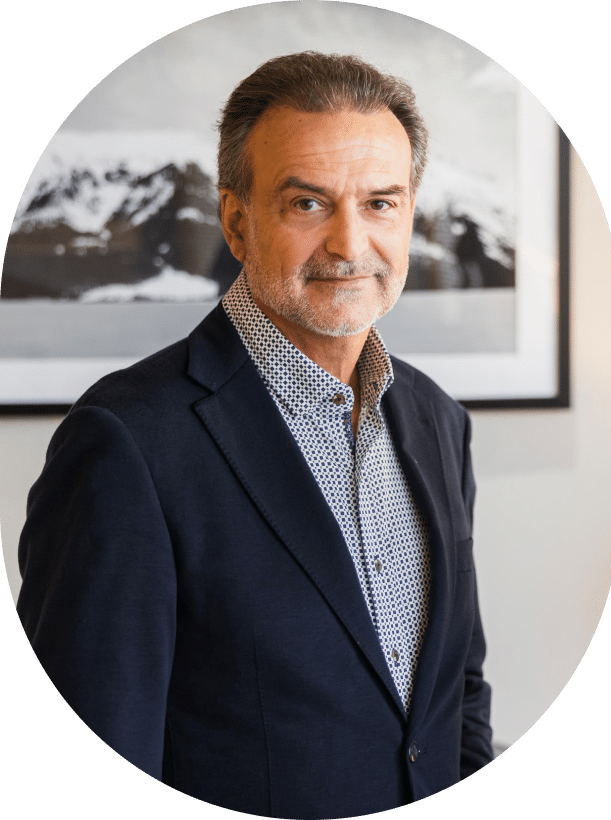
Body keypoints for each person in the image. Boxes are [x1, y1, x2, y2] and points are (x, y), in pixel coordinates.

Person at [17, 52, 493, 819]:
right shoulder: (126, 443)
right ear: (236, 221)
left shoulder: (439, 420)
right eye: (307, 204)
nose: (348, 244)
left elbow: (458, 694)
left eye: (380, 203)